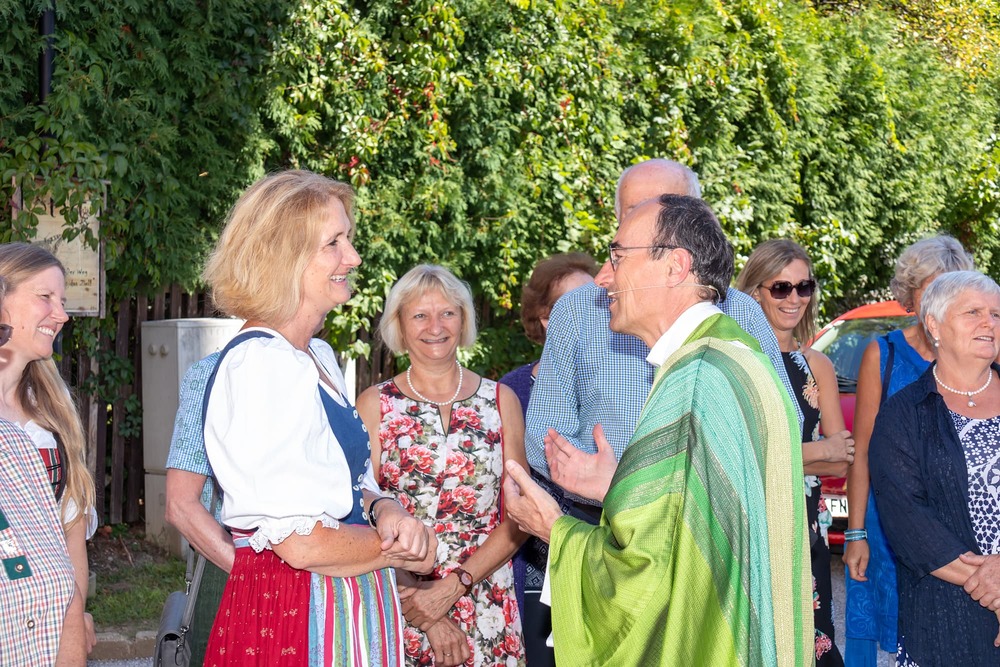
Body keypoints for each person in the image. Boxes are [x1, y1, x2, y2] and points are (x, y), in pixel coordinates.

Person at [505, 194, 812, 666]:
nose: (604, 277)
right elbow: (696, 515)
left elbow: (648, 570)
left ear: (675, 266)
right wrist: (618, 485)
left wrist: (554, 528)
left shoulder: (695, 379)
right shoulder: (729, 355)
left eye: (618, 256)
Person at [200, 170, 436, 666]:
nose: (353, 257)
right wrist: (397, 549)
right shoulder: (262, 363)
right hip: (293, 613)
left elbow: (341, 485)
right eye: (334, 243)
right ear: (284, 258)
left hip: (344, 601)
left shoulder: (315, 356)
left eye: (347, 239)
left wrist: (385, 509)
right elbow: (300, 543)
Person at [525, 158, 802, 505]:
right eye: (635, 210)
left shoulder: (740, 315)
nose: (603, 278)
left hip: (703, 521)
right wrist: (609, 489)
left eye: (668, 207)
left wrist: (632, 490)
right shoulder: (577, 310)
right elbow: (545, 435)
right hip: (594, 517)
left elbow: (778, 438)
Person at [357, 264, 528, 667]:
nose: (435, 326)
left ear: (463, 320)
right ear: (400, 325)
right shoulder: (375, 404)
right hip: (399, 601)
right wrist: (423, 608)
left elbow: (521, 516)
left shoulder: (501, 401)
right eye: (420, 315)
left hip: (486, 599)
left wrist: (454, 586)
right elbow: (358, 509)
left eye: (447, 313)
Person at [843, 235, 974, 664]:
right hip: (888, 527)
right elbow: (862, 450)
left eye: (950, 289)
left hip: (958, 524)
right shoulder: (882, 354)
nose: (938, 301)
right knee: (880, 630)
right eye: (930, 288)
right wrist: (856, 533)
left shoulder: (978, 356)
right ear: (909, 293)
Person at [870, 270, 1000, 666]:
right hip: (943, 624)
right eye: (973, 312)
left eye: (996, 314)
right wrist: (994, 585)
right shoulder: (902, 415)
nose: (989, 323)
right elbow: (908, 524)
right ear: (934, 325)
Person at [736, 239, 852, 666]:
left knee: (812, 640)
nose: (795, 298)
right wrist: (817, 450)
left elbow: (842, 460)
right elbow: (740, 455)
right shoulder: (739, 360)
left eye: (804, 287)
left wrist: (785, 456)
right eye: (781, 287)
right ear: (755, 292)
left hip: (808, 527)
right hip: (752, 522)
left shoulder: (817, 365)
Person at [498, 252, 596, 667]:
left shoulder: (622, 384)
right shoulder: (512, 390)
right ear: (544, 319)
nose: (584, 314)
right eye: (569, 305)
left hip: (603, 565)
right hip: (536, 568)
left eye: (595, 302)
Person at [0, 243, 97, 654]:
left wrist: (75, 614)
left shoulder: (50, 413)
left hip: (50, 626)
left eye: (62, 301)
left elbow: (70, 532)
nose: (62, 315)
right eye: (45, 297)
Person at [164, 350, 230, 666]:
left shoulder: (321, 363)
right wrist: (252, 574)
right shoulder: (213, 373)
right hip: (227, 565)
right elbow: (180, 505)